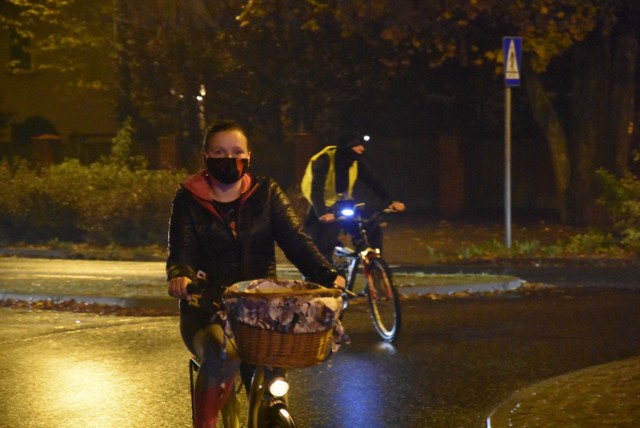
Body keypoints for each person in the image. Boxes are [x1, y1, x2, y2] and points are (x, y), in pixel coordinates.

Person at [166, 119, 343, 428]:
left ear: (249, 156)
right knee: (219, 353)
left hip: (263, 309)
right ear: (205, 157)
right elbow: (182, 250)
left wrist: (326, 274)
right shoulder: (188, 199)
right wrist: (181, 274)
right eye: (219, 152)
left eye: (236, 151)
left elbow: (294, 239)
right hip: (208, 307)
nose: (229, 159)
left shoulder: (267, 193)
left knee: (274, 377)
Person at [301, 132, 406, 261]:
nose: (362, 149)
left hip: (344, 204)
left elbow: (373, 181)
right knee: (322, 250)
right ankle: (321, 278)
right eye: (357, 145)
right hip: (321, 206)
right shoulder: (324, 160)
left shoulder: (355, 162)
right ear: (347, 147)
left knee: (370, 228)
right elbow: (316, 190)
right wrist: (322, 213)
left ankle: (376, 267)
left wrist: (391, 201)